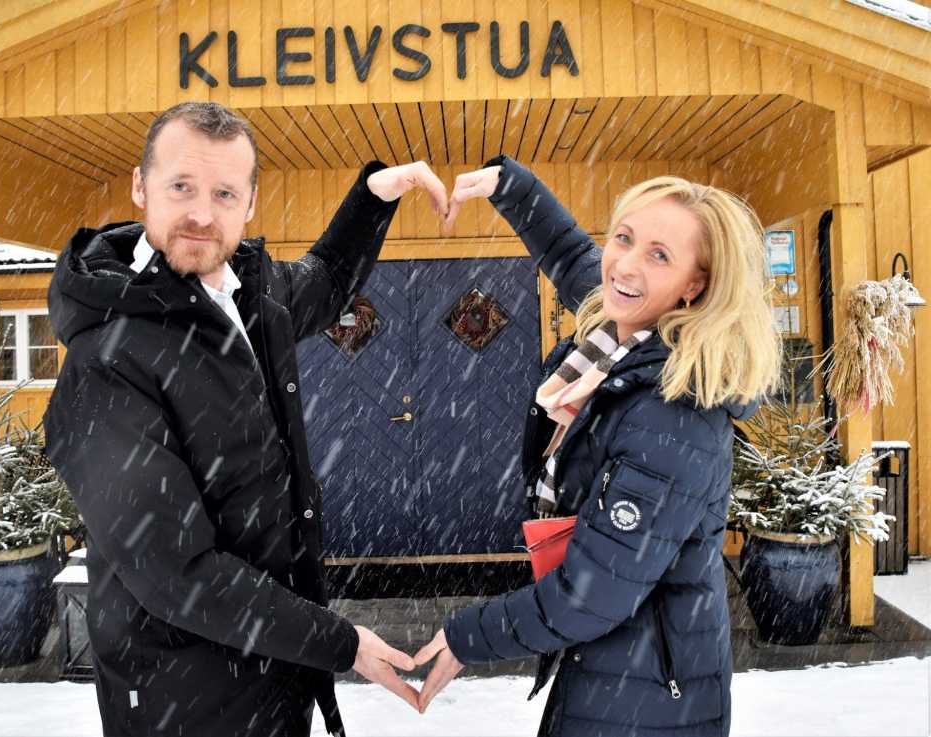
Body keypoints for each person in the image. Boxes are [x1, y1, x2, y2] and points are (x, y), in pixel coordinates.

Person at [42, 101, 448, 737]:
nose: (203, 213)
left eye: (224, 192)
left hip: (274, 685)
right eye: (182, 186)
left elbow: (328, 279)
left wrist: (373, 198)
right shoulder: (106, 362)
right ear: (140, 186)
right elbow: (180, 575)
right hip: (184, 704)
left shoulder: (245, 296)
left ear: (250, 202)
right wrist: (342, 644)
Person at [415, 156, 782, 737]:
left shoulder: (673, 415)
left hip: (649, 705)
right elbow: (573, 257)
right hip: (616, 675)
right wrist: (511, 186)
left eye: (659, 254)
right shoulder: (629, 337)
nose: (626, 264)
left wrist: (466, 638)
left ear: (696, 284)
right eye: (624, 237)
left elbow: (590, 596)